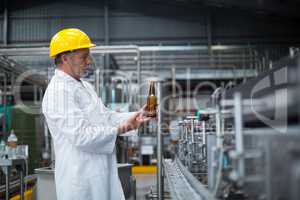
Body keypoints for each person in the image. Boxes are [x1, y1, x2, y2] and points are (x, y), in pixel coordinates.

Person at [42, 28, 152, 200]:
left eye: (89, 56)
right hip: (80, 181)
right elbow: (81, 136)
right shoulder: (58, 92)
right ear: (65, 58)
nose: (89, 61)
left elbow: (105, 117)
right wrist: (120, 129)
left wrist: (136, 117)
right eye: (83, 57)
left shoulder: (85, 87)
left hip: (101, 175)